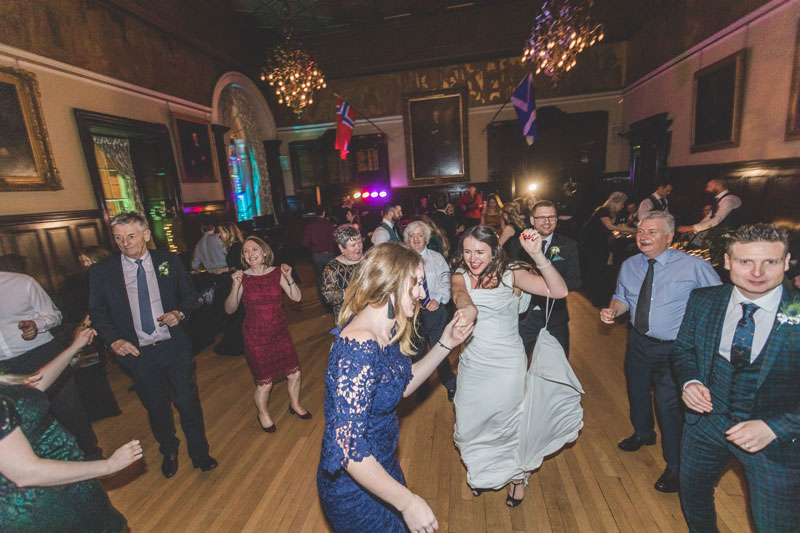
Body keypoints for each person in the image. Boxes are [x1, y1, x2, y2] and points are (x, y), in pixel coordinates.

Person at [317, 242, 474, 533]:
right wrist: (408, 503)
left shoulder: (386, 329)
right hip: (354, 486)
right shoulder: (359, 345)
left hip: (381, 466)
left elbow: (400, 385)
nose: (421, 292)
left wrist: (445, 344)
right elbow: (348, 449)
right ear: (390, 282)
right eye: (415, 283)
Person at [672, 224, 799, 532]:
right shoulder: (704, 300)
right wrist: (690, 382)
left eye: (769, 262)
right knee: (693, 494)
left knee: (776, 524)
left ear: (786, 262)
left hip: (776, 441)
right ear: (727, 262)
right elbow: (683, 350)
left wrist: (774, 426)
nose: (757, 272)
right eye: (745, 262)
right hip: (706, 425)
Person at [452, 225, 581, 507]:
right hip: (473, 363)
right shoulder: (460, 276)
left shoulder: (513, 275)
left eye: (480, 252)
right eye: (467, 251)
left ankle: (516, 478)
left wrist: (538, 256)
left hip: (507, 363)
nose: (473, 258)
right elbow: (459, 294)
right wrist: (467, 307)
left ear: (494, 250)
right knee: (471, 424)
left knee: (507, 423)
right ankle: (482, 470)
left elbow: (558, 291)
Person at [88, 212, 217, 478]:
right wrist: (113, 340)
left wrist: (178, 314)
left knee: (187, 402)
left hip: (174, 347)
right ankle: (168, 449)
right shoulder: (102, 272)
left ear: (146, 235)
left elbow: (189, 295)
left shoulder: (168, 260)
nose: (125, 243)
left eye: (131, 236)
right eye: (118, 238)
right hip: (139, 353)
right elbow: (98, 313)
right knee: (156, 407)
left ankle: (200, 453)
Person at [600, 212, 721, 493]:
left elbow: (718, 302)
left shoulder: (694, 266)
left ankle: (676, 468)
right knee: (637, 390)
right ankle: (643, 433)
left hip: (675, 349)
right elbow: (623, 297)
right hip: (638, 341)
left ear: (669, 237)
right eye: (640, 231)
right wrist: (613, 310)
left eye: (652, 232)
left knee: (668, 406)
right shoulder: (630, 265)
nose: (643, 236)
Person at [0, 326, 142, 532]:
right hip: (41, 509)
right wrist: (108, 466)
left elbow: (33, 387)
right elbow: (26, 472)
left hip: (69, 487)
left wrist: (75, 347)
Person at [0, 268, 101, 458]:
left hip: (41, 354)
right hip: (5, 369)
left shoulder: (22, 282)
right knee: (24, 422)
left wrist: (37, 325)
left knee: (69, 412)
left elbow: (55, 315)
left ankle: (92, 457)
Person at [224, 236, 308, 432]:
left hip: (280, 332)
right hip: (255, 337)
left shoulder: (277, 272)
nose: (250, 254)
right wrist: (235, 287)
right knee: (265, 383)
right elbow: (230, 309)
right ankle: (263, 413)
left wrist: (289, 278)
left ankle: (295, 404)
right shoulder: (241, 277)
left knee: (294, 373)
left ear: (265, 253)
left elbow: (296, 297)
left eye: (254, 249)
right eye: (246, 251)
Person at [519, 201, 581, 357]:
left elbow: (575, 280)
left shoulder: (569, 245)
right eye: (541, 217)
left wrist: (553, 286)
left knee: (560, 364)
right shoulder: (519, 244)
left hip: (556, 315)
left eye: (551, 217)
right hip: (525, 316)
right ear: (532, 220)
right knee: (518, 362)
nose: (547, 221)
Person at [404, 220, 457, 401]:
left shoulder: (437, 258)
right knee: (416, 355)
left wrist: (438, 299)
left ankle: (450, 384)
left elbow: (446, 283)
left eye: (419, 235)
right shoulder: (403, 261)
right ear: (407, 239)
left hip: (436, 313)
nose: (416, 239)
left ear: (426, 238)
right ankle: (421, 388)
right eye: (412, 236)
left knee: (440, 351)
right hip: (413, 317)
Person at [579, 191, 634, 307]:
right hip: (592, 243)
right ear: (616, 202)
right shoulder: (603, 211)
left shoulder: (609, 213)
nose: (623, 206)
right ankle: (596, 294)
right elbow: (609, 226)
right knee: (598, 266)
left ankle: (600, 292)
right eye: (622, 204)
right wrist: (631, 230)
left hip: (599, 242)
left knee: (605, 264)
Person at [213, 221, 247, 356]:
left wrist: (223, 270)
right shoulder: (234, 247)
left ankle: (239, 345)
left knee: (237, 315)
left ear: (228, 232)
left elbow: (241, 267)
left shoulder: (237, 247)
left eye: (221, 232)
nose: (219, 235)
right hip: (236, 284)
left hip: (238, 285)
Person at [322, 225, 364, 323]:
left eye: (360, 242)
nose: (358, 247)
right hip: (347, 319)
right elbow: (328, 296)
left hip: (370, 316)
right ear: (341, 248)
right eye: (353, 245)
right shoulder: (333, 267)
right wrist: (352, 291)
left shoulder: (369, 260)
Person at [677, 178, 742, 236]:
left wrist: (693, 227)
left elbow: (717, 219)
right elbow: (709, 217)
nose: (707, 189)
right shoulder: (718, 199)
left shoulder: (729, 199)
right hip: (719, 234)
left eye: (709, 186)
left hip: (730, 235)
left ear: (719, 187)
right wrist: (694, 230)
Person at [302, 207, 338, 306]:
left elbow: (305, 243)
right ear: (323, 213)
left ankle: (324, 301)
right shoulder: (329, 225)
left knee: (320, 279)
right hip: (329, 254)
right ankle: (332, 299)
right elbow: (335, 240)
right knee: (331, 277)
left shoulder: (310, 227)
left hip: (316, 255)